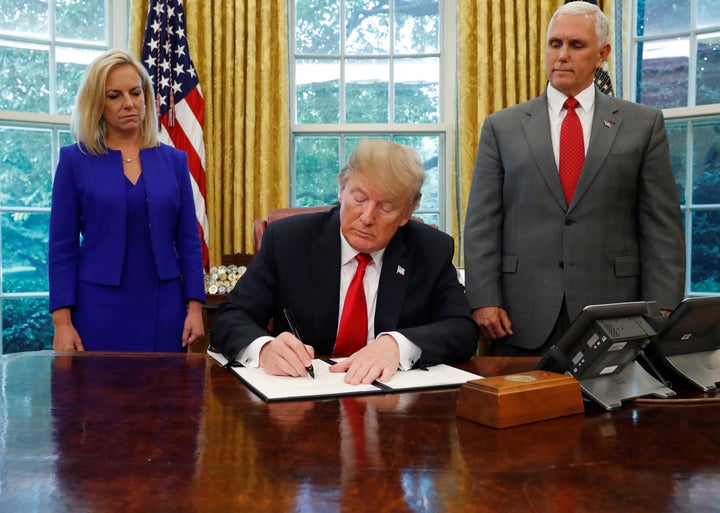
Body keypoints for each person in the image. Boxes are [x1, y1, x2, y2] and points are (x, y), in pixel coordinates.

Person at [463, 2, 685, 356]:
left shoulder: (643, 124)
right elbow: (481, 223)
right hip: (521, 316)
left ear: (602, 54)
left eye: (576, 45)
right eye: (555, 44)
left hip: (615, 313)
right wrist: (483, 298)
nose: (562, 55)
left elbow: (662, 226)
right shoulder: (501, 127)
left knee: (609, 412)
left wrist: (664, 304)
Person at [211, 139, 478, 384]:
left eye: (386, 208)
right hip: (304, 398)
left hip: (393, 403)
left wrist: (396, 345)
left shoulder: (430, 249)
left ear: (407, 213)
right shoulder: (288, 240)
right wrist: (265, 348)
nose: (367, 216)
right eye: (359, 198)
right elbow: (231, 317)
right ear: (341, 190)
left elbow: (462, 329)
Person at [49, 49, 206, 352]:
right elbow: (61, 246)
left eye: (136, 93)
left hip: (165, 306)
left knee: (165, 396)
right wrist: (62, 322)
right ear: (97, 103)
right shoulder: (74, 160)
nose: (129, 103)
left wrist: (196, 307)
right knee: (98, 397)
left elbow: (188, 240)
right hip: (96, 307)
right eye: (114, 96)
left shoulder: (174, 161)